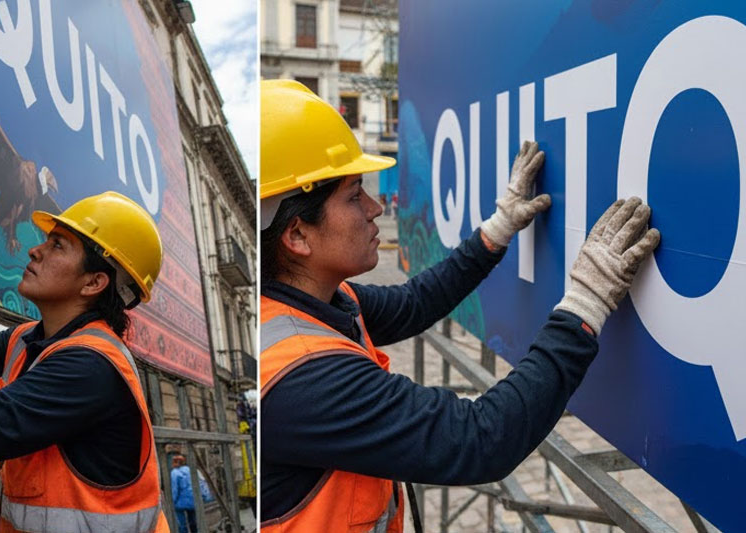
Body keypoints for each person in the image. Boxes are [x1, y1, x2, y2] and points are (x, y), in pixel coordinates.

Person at [259, 80, 660, 532]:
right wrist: (586, 301)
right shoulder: (302, 376)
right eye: (354, 196)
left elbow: (414, 303)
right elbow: (480, 438)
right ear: (297, 235)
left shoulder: (320, 303)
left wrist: (497, 228)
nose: (375, 207)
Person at [0, 191, 169, 532]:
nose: (35, 250)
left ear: (93, 282)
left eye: (58, 245)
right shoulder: (28, 339)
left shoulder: (91, 365)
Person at [170, 454, 198, 533]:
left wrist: (173, 501)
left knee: (182, 524)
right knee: (193, 521)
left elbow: (175, 489)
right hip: (191, 499)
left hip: (180, 502)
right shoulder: (189, 470)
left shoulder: (174, 473)